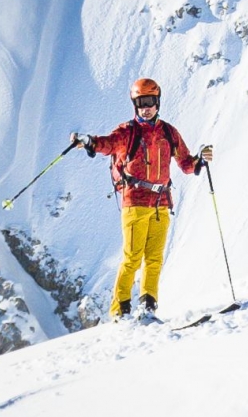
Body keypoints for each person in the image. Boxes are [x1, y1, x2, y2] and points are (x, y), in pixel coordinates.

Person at [71, 78, 214, 320]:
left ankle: (148, 307)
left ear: (157, 102)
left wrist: (200, 159)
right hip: (135, 203)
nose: (145, 108)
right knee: (132, 258)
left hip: (161, 203)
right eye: (140, 103)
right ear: (134, 105)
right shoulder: (128, 131)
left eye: (149, 102)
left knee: (155, 258)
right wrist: (90, 142)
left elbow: (186, 164)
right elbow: (107, 144)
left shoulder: (169, 132)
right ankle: (119, 311)